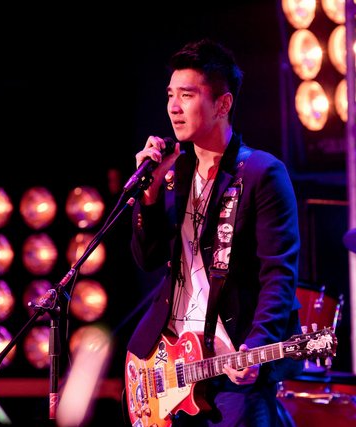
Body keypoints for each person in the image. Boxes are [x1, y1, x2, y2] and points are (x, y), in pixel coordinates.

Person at [123, 38, 303, 427]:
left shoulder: (261, 173)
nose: (174, 107)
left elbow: (279, 274)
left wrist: (257, 345)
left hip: (231, 364)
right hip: (169, 365)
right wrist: (149, 196)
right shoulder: (173, 173)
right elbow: (147, 259)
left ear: (222, 105)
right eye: (170, 95)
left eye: (187, 95)